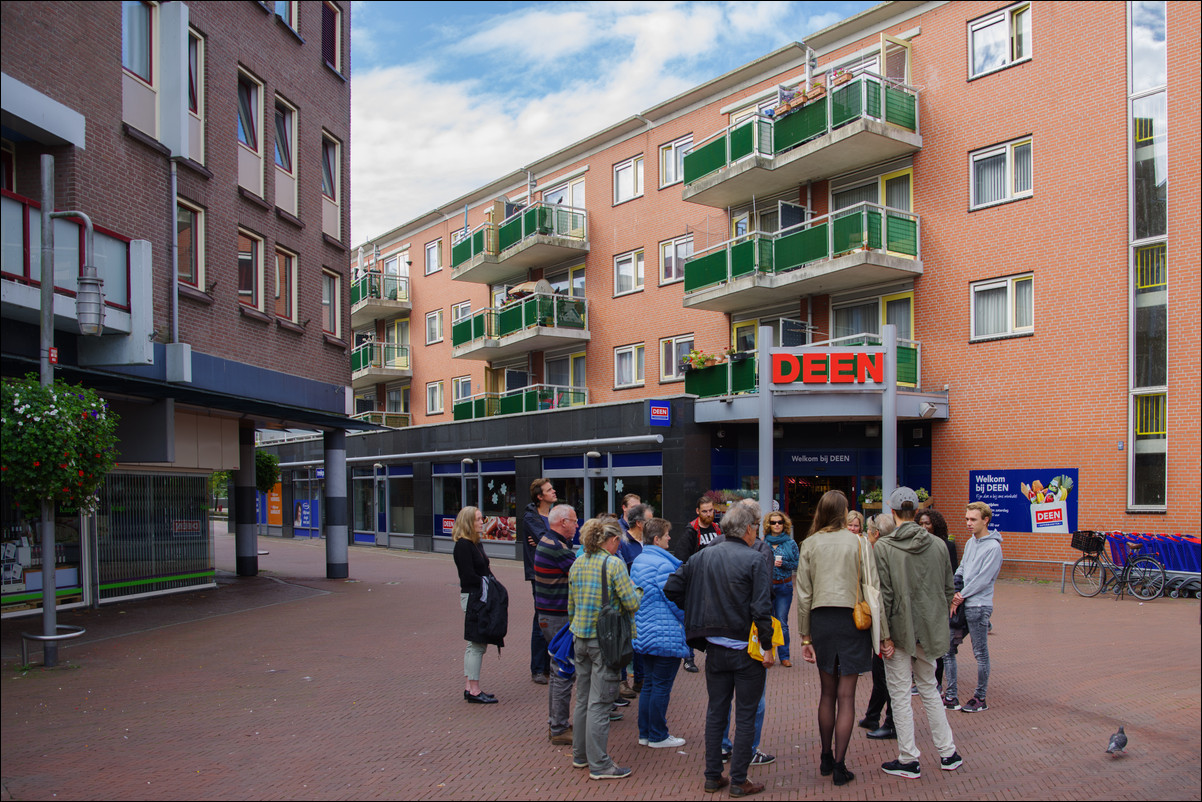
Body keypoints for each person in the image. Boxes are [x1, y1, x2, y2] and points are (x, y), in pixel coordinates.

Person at [665, 501, 774, 798]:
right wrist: (767, 647)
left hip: (714, 648)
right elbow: (762, 608)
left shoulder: (702, 557)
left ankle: (713, 776)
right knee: (746, 714)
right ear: (749, 530)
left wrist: (697, 609)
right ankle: (739, 779)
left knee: (716, 711)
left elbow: (671, 588)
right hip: (745, 649)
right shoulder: (753, 559)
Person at [874, 487, 963, 779]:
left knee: (899, 692)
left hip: (899, 629)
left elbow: (884, 595)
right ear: (916, 511)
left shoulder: (884, 547)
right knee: (929, 688)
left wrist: (883, 635)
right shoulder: (938, 545)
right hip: (928, 629)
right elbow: (949, 589)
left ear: (893, 511)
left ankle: (909, 758)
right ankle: (948, 752)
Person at [795, 490, 875, 786]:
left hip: (822, 619)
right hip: (853, 619)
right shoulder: (859, 542)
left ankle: (825, 756)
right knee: (847, 695)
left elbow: (803, 593)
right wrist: (882, 632)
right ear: (844, 513)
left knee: (827, 693)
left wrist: (805, 636)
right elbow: (871, 586)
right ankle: (840, 765)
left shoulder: (809, 543)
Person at [568, 518, 641, 780]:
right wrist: (639, 591)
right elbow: (631, 603)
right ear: (611, 541)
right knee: (600, 703)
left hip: (580, 637)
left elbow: (571, 606)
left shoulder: (577, 563)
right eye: (617, 541)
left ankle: (580, 755)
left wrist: (578, 628)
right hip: (605, 641)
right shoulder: (614, 564)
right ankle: (599, 763)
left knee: (583, 699)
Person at [629, 517, 689, 748]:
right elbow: (673, 598)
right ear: (657, 539)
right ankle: (657, 735)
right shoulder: (663, 564)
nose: (670, 538)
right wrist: (688, 619)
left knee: (650, 684)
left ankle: (645, 732)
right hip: (665, 633)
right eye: (666, 535)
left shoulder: (639, 561)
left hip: (644, 631)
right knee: (661, 686)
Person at [943, 502, 1003, 713]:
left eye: (973, 519)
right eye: (967, 519)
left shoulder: (994, 547)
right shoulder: (970, 543)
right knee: (947, 648)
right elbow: (963, 567)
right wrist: (956, 584)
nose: (968, 523)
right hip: (963, 602)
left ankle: (980, 698)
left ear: (985, 520)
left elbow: (984, 579)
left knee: (980, 653)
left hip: (978, 606)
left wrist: (960, 596)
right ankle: (951, 696)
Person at [534, 504, 579, 745]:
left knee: (557, 669)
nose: (577, 525)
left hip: (548, 615)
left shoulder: (548, 542)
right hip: (558, 616)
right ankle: (559, 727)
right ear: (563, 522)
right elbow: (579, 573)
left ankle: (557, 723)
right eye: (574, 521)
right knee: (564, 670)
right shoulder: (558, 548)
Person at [453, 506, 499, 704]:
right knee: (477, 644)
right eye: (479, 519)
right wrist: (487, 583)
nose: (482, 522)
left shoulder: (475, 543)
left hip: (478, 596)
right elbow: (468, 576)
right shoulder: (464, 545)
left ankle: (470, 687)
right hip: (474, 598)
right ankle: (473, 689)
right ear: (468, 523)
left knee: (474, 645)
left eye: (483, 518)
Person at [859, 514, 897, 740]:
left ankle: (891, 722)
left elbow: (882, 592)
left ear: (877, 533)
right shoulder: (889, 548)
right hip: (885, 620)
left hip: (887, 622)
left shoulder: (881, 551)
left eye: (869, 530)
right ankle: (873, 715)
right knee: (880, 670)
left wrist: (885, 632)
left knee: (886, 674)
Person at [674, 496, 722, 673]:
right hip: (696, 583)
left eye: (711, 511)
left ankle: (713, 654)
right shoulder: (691, 531)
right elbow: (681, 558)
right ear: (697, 511)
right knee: (692, 621)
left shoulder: (718, 529)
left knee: (712, 620)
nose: (709, 514)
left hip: (715, 583)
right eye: (705, 511)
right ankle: (688, 658)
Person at [522, 478, 558, 684]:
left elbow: (560, 539)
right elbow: (547, 539)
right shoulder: (531, 517)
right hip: (539, 573)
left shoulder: (553, 515)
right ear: (539, 496)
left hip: (556, 571)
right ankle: (537, 668)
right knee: (541, 618)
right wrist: (547, 539)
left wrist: (547, 539)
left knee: (554, 617)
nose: (554, 492)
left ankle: (549, 664)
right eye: (549, 490)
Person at [915, 507, 955, 690]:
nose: (924, 527)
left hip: (937, 601)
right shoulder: (914, 544)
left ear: (935, 525)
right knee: (919, 642)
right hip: (919, 600)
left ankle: (937, 682)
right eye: (920, 523)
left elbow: (951, 575)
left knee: (936, 644)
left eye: (927, 523)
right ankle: (918, 679)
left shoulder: (946, 546)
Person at [765, 512, 799, 668]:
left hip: (784, 586)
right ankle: (768, 653)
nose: (776, 525)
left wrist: (783, 562)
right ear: (769, 525)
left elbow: (797, 564)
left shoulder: (790, 543)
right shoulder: (763, 543)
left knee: (782, 622)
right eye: (773, 522)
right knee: (767, 621)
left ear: (784, 524)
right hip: (767, 586)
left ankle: (784, 656)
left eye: (779, 522)